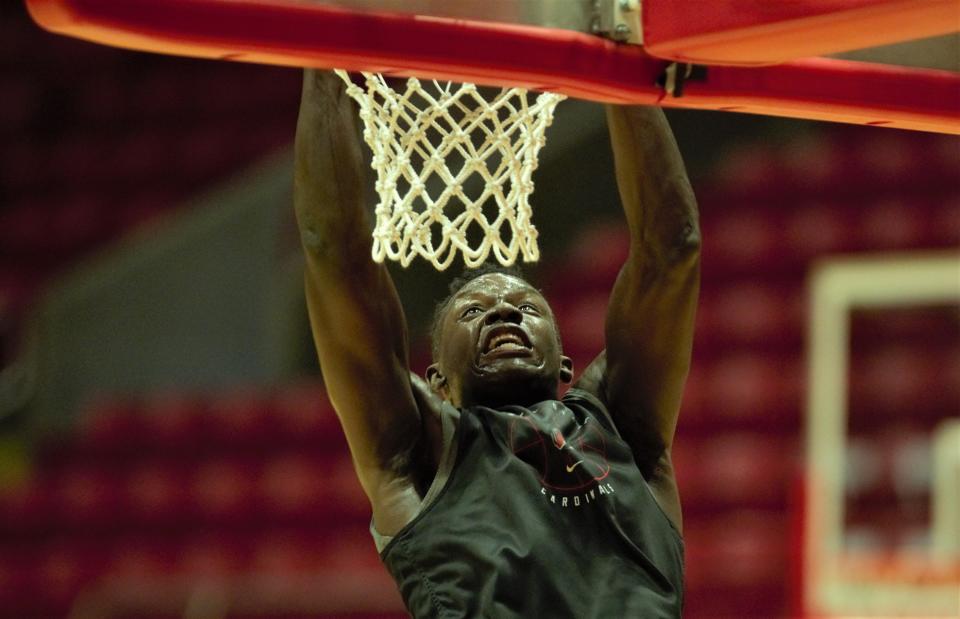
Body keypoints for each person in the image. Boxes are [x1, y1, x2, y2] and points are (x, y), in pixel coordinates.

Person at [293, 69, 700, 618]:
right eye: (474, 311)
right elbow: (333, 252)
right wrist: (324, 65)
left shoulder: (621, 428)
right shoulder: (417, 450)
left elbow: (673, 247)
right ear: (435, 380)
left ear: (564, 367)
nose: (506, 309)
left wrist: (618, 72)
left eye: (528, 308)